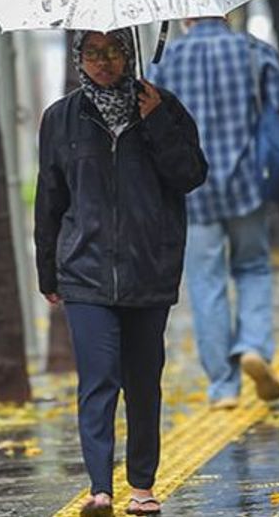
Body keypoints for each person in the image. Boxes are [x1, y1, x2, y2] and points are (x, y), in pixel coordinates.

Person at [35, 28, 207, 517]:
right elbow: (49, 198)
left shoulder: (163, 106)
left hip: (149, 266)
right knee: (97, 378)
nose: (104, 62)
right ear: (79, 58)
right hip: (84, 270)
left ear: (129, 54)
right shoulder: (61, 118)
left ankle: (142, 485)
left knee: (143, 379)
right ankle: (99, 489)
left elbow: (190, 175)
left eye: (114, 52)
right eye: (93, 53)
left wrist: (155, 123)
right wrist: (48, 271)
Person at [150, 17, 279, 409]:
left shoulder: (163, 62)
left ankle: (223, 387)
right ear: (226, 8)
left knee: (207, 284)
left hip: (193, 191)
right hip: (249, 186)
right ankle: (254, 345)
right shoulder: (255, 51)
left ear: (187, 14)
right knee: (253, 267)